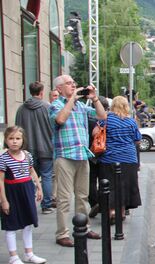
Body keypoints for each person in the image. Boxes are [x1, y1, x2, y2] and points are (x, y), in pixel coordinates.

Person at [49, 75, 104, 247]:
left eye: (74, 83)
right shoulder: (55, 105)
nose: (73, 85)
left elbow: (102, 116)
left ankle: (84, 227)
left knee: (83, 196)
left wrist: (94, 98)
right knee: (64, 198)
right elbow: (60, 119)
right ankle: (62, 233)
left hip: (82, 155)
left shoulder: (81, 106)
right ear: (59, 89)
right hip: (65, 156)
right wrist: (71, 100)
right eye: (69, 83)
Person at [0, 126, 47, 264]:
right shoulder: (3, 158)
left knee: (27, 223)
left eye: (17, 138)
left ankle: (29, 253)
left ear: (23, 140)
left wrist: (39, 187)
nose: (14, 142)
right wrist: (4, 200)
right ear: (6, 140)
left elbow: (32, 171)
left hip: (26, 191)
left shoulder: (27, 155)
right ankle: (13, 257)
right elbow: (0, 180)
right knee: (12, 225)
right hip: (12, 192)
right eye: (11, 138)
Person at [94, 96, 142, 222]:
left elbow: (94, 133)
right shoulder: (131, 122)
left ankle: (110, 212)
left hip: (108, 158)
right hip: (129, 159)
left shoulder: (106, 120)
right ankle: (121, 212)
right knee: (124, 187)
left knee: (109, 187)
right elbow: (137, 139)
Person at [15, 81, 55, 214]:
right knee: (47, 175)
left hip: (28, 148)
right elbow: (53, 127)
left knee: (30, 176)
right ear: (42, 92)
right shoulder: (47, 107)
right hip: (46, 147)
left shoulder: (21, 109)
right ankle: (46, 205)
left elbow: (17, 129)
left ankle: (28, 203)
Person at [87, 96, 110, 218]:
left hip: (90, 152)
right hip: (104, 153)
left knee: (90, 180)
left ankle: (94, 203)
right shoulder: (107, 119)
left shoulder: (87, 118)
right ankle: (102, 203)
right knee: (104, 180)